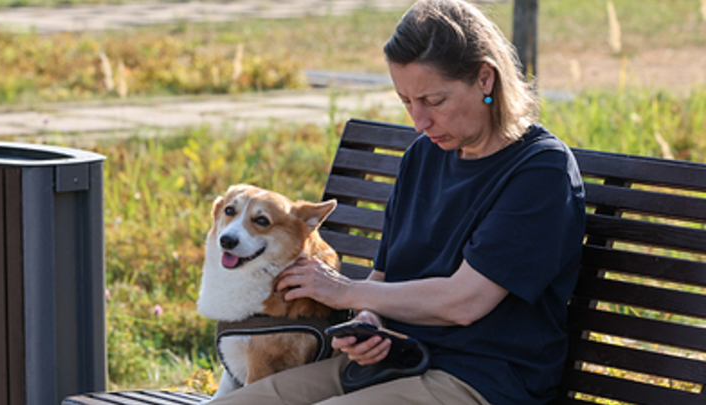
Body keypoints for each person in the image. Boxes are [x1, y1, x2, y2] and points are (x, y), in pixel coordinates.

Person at [210, 0, 585, 404]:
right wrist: (369, 322)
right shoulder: (423, 156)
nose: (419, 122)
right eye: (407, 101)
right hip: (394, 361)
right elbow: (384, 279)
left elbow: (465, 302)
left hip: (480, 379)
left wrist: (348, 294)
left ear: (484, 79)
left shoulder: (540, 171)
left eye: (433, 101)